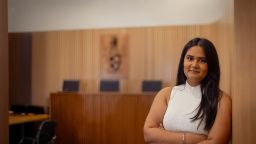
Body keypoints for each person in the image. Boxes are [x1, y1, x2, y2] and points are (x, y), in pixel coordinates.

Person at [143, 37, 232, 144]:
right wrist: (187, 138)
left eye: (202, 60)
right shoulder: (166, 94)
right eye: (189, 58)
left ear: (211, 65)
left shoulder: (222, 100)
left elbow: (216, 142)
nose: (194, 65)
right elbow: (148, 133)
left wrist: (164, 136)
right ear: (183, 61)